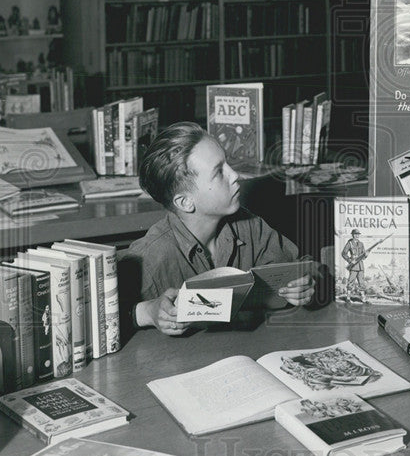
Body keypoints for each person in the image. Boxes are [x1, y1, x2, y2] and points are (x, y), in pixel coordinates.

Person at [119, 122, 314, 337]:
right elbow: (99, 318)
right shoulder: (149, 257)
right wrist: (147, 311)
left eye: (227, 163)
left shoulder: (250, 225)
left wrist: (304, 284)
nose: (235, 175)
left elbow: (300, 266)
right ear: (185, 202)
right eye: (219, 172)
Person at [340, 229, 366, 300]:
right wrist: (349, 260)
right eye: (355, 234)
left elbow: (364, 255)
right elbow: (343, 253)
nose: (357, 235)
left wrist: (366, 255)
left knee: (361, 281)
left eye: (358, 234)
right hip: (353, 266)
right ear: (352, 235)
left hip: (360, 265)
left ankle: (363, 297)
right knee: (351, 281)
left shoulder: (361, 244)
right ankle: (348, 297)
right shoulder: (350, 243)